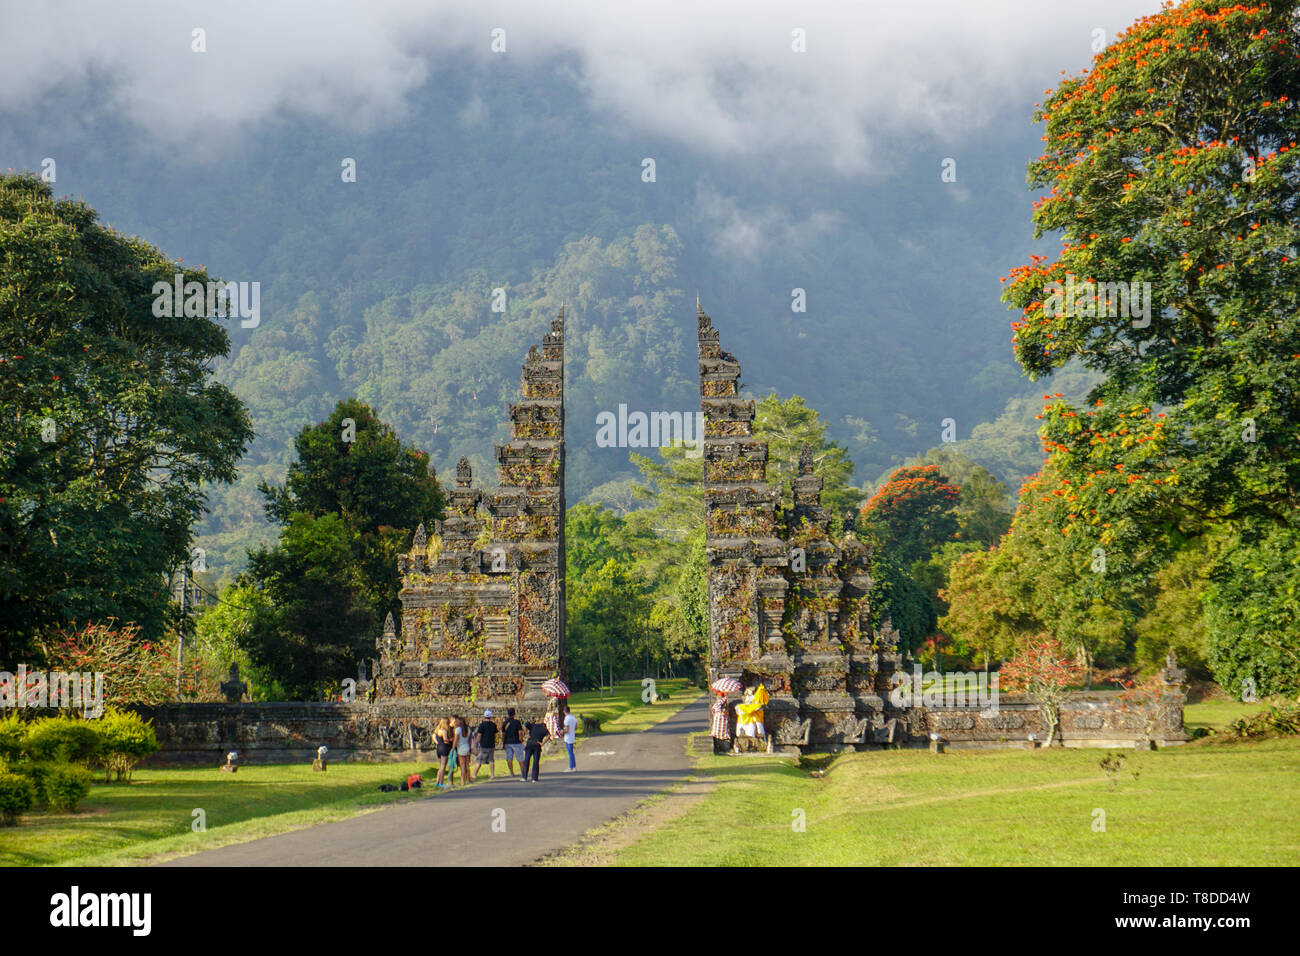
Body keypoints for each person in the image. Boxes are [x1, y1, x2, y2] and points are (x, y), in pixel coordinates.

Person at [520, 716, 549, 782]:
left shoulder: (532, 725)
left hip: (530, 743)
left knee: (527, 760)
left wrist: (526, 734)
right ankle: (534, 778)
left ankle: (524, 777)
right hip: (537, 745)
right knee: (536, 762)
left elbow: (524, 725)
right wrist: (542, 743)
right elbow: (548, 736)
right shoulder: (543, 728)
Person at [474, 709, 499, 780]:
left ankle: (474, 774)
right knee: (491, 760)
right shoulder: (493, 725)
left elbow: (479, 735)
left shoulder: (482, 725)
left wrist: (477, 743)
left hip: (483, 745)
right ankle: (492, 775)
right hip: (491, 744)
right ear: (491, 717)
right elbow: (495, 734)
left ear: (484, 716)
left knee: (479, 760)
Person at [502, 708, 525, 778]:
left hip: (507, 742)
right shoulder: (517, 722)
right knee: (520, 758)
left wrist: (503, 742)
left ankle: (511, 773)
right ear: (514, 714)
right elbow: (520, 732)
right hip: (516, 742)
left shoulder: (505, 722)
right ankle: (523, 772)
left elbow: (503, 734)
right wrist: (521, 739)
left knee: (509, 758)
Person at [434, 717, 454, 789]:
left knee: (440, 766)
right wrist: (450, 740)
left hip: (438, 748)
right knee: (443, 766)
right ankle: (441, 783)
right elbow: (445, 740)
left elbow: (434, 738)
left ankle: (437, 781)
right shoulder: (444, 731)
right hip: (444, 748)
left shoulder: (437, 730)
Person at [453, 715, 472, 785]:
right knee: (467, 765)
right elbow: (470, 740)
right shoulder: (468, 729)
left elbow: (455, 740)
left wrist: (452, 749)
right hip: (467, 747)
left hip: (461, 749)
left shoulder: (458, 730)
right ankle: (468, 780)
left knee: (462, 766)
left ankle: (462, 781)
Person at [561, 704, 578, 772]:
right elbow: (576, 727)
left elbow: (566, 729)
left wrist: (562, 731)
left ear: (564, 711)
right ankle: (573, 766)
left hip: (568, 737)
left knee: (570, 752)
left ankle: (571, 767)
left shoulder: (566, 719)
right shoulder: (573, 717)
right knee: (571, 752)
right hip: (572, 736)